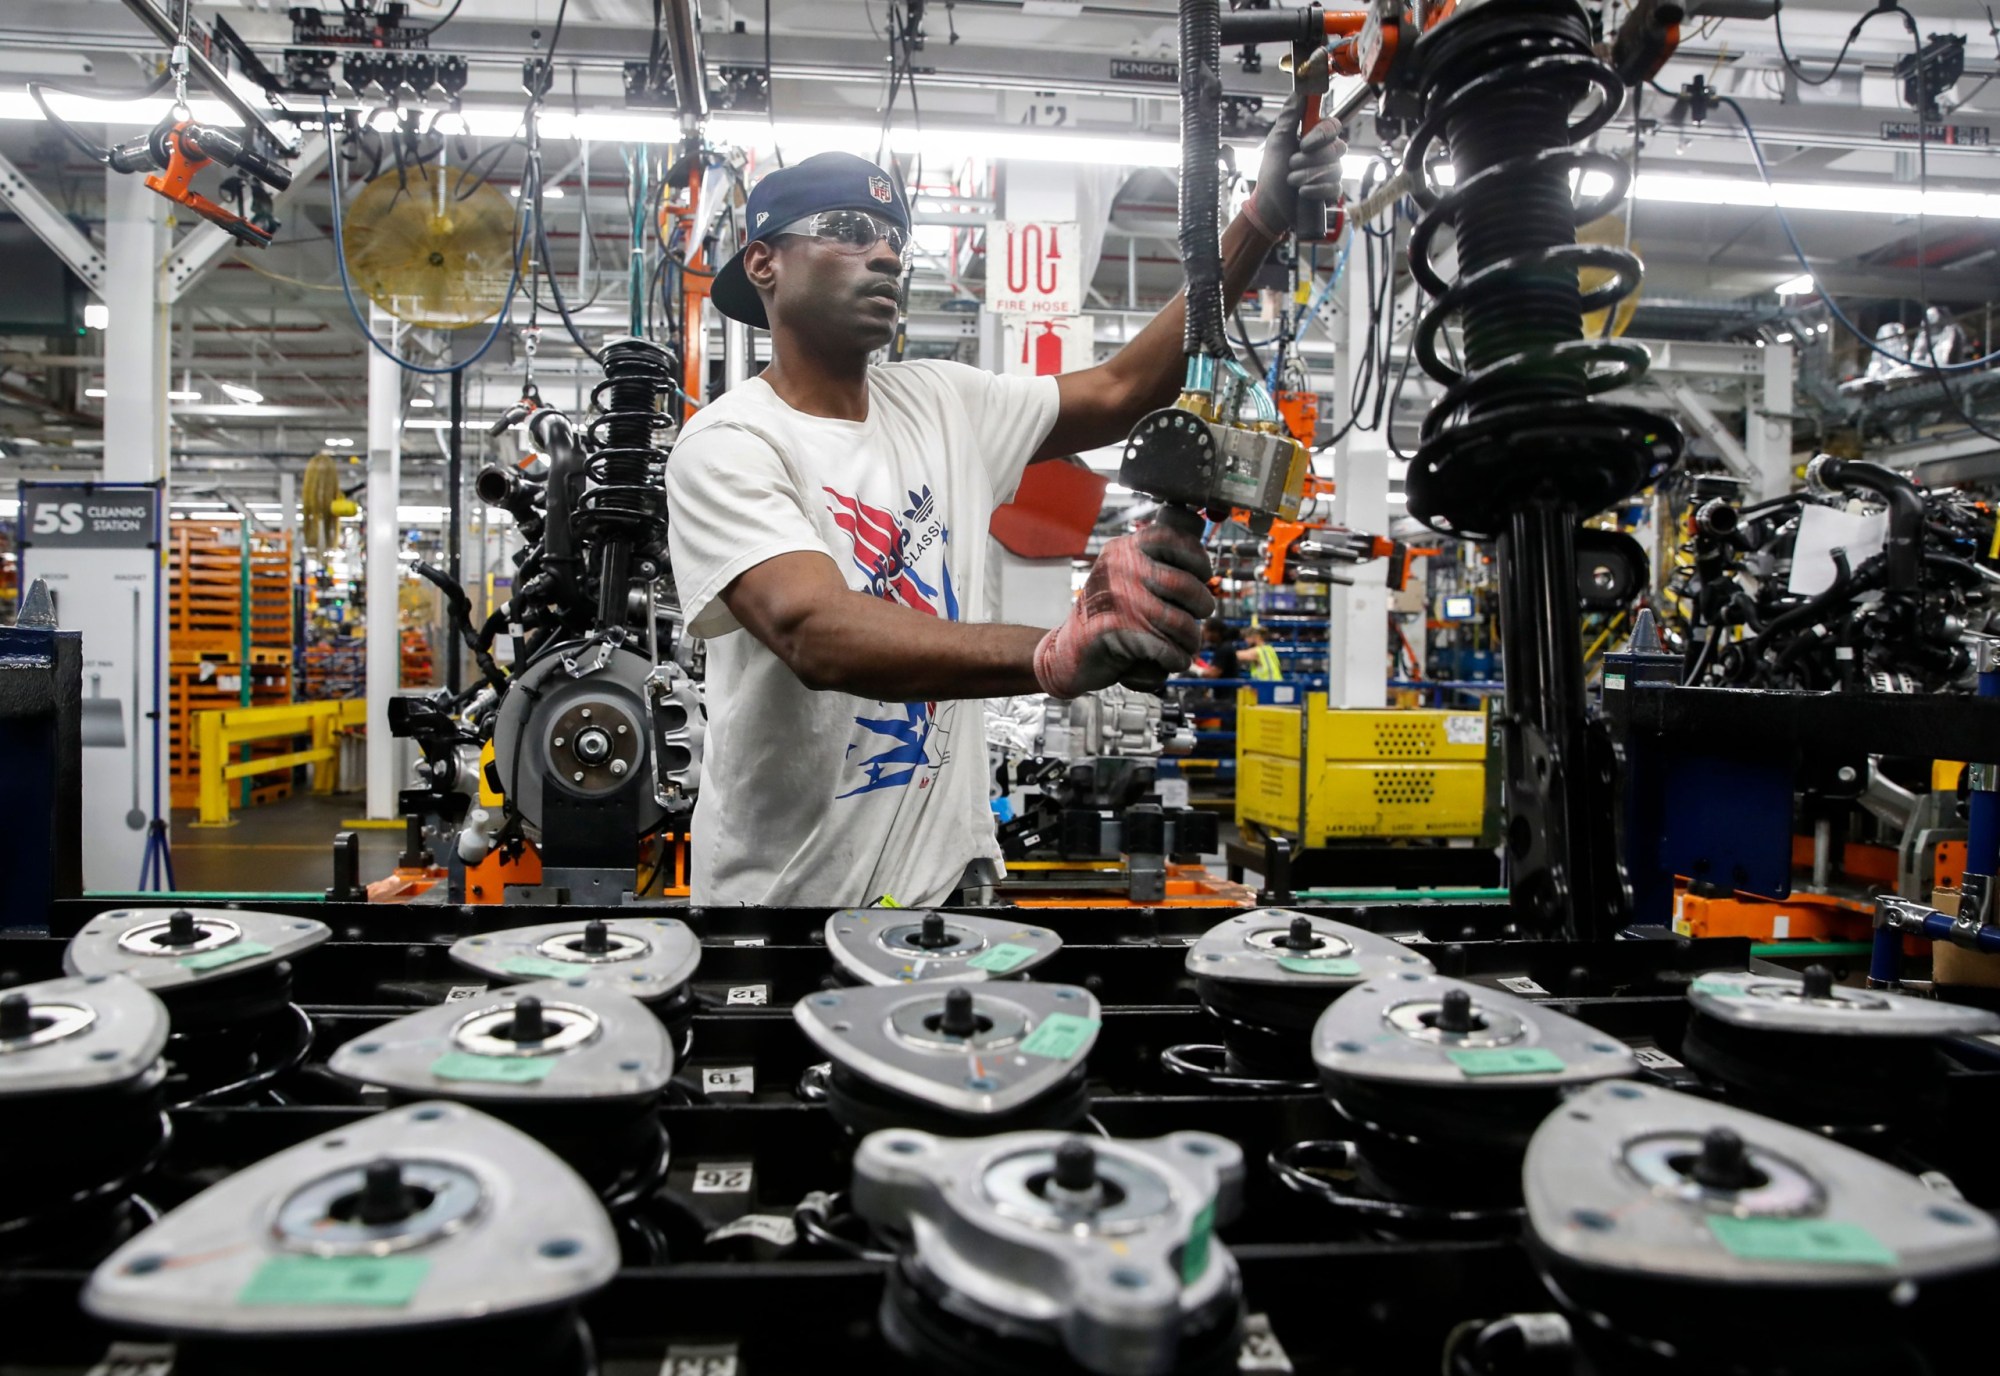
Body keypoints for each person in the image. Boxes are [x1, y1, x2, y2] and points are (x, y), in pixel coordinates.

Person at [665, 66, 1345, 906]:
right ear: (762, 262)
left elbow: (1124, 389)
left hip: (949, 888)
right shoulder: (729, 442)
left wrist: (1262, 218)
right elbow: (814, 630)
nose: (882, 253)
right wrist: (1051, 649)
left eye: (893, 238)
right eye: (846, 229)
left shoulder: (945, 400)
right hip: (785, 904)